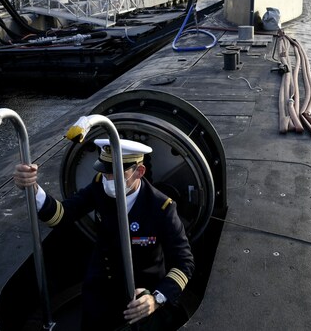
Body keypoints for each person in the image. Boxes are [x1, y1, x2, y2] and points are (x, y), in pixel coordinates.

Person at [14, 139, 195, 330]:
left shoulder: (162, 208)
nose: (109, 179)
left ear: (139, 172)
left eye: (116, 173)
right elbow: (61, 215)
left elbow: (184, 263)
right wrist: (32, 188)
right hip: (100, 289)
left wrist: (156, 298)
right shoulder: (100, 187)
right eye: (106, 172)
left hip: (138, 297)